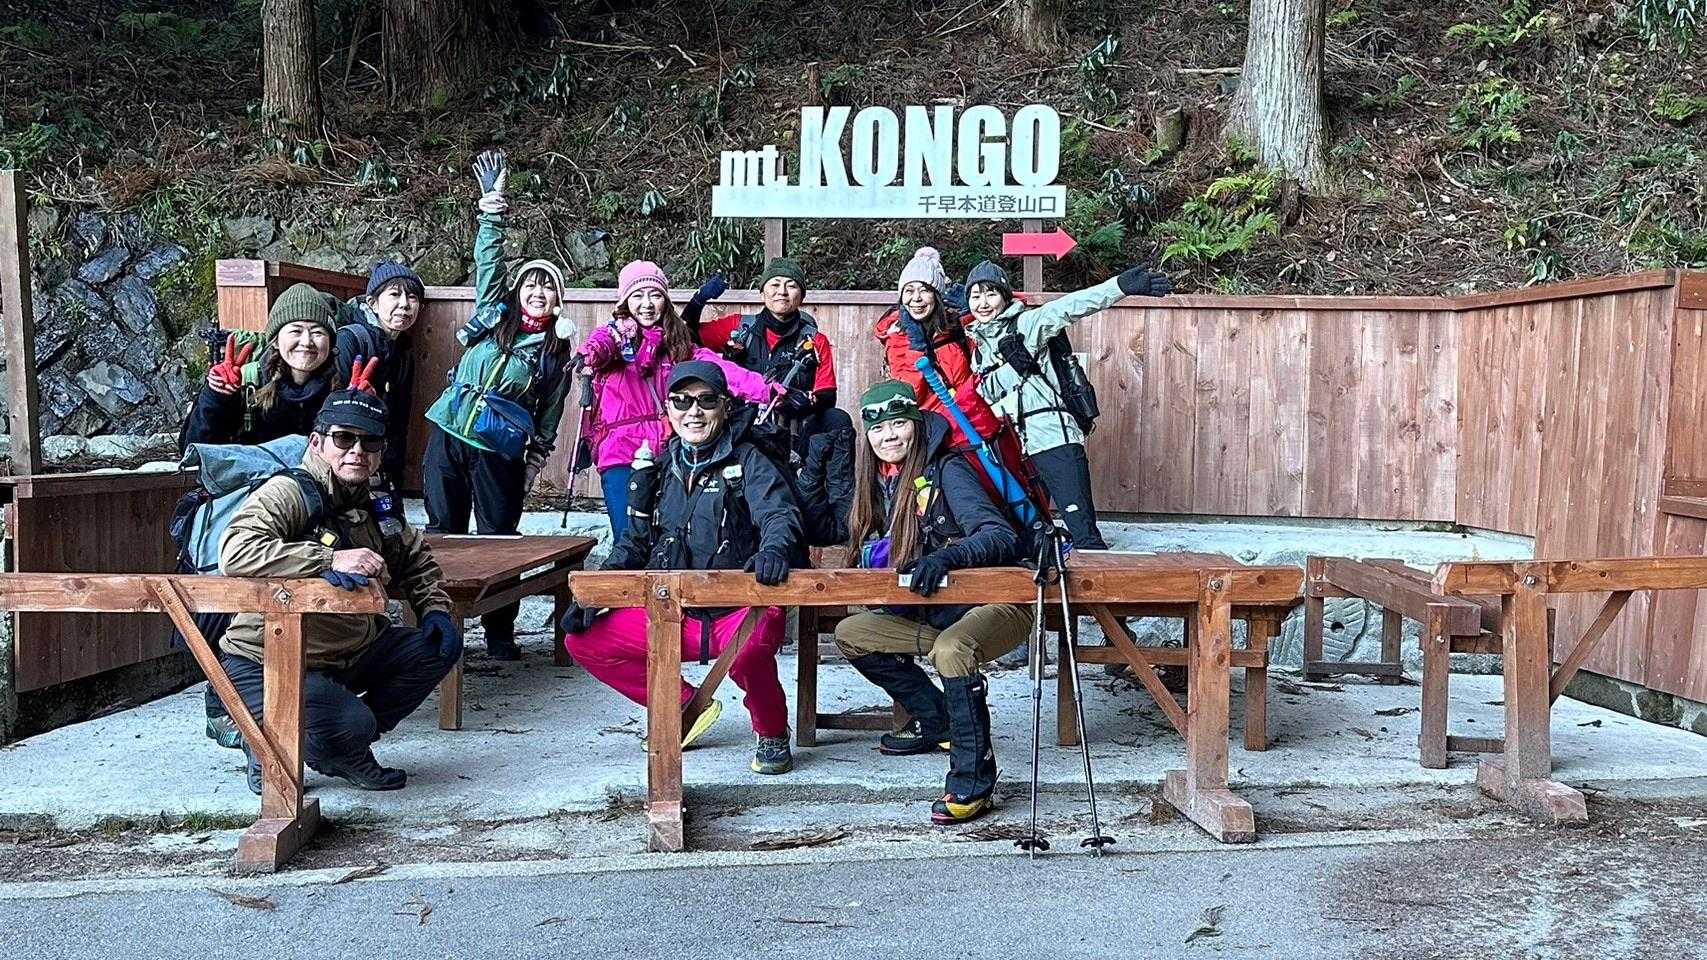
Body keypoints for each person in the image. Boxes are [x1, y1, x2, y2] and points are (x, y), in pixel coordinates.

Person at [803, 380, 1028, 824]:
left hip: (994, 605)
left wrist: (947, 557)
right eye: (877, 428)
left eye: (898, 424)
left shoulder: (948, 471)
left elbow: (999, 535)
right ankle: (938, 720)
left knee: (953, 650)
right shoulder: (878, 484)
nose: (888, 436)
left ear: (917, 425)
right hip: (934, 614)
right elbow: (826, 528)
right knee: (853, 634)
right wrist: (814, 469)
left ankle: (974, 779)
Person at [562, 361, 802, 775]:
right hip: (673, 612)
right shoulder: (658, 467)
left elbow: (778, 514)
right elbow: (634, 541)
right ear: (668, 409)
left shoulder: (750, 460)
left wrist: (774, 550)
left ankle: (772, 730)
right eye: (681, 401)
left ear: (725, 407)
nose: (694, 411)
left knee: (749, 651)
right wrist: (596, 592)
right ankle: (685, 704)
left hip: (739, 607)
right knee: (583, 642)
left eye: (706, 401)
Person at [217, 387, 461, 794]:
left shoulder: (375, 500)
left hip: (348, 652)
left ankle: (340, 746)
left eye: (370, 442)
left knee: (437, 647)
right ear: (317, 442)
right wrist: (329, 559)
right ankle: (266, 741)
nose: (357, 451)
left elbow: (415, 559)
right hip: (268, 659)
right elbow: (236, 551)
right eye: (344, 438)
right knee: (351, 722)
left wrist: (435, 609)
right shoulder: (290, 492)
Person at [422, 149, 574, 660]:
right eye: (532, 282)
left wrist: (534, 463)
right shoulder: (493, 315)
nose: (538, 291)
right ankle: (438, 629)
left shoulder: (554, 353)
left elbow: (550, 414)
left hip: (499, 451)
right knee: (441, 534)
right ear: (518, 289)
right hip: (448, 432)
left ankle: (499, 633)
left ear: (558, 301)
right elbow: (489, 261)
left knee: (499, 538)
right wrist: (492, 208)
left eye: (548, 286)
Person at [962, 259, 1172, 549]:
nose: (983, 303)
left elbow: (1070, 307)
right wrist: (1010, 372)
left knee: (1083, 533)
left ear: (1005, 296)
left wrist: (1119, 287)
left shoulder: (1027, 324)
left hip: (1052, 437)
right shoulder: (979, 345)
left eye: (991, 293)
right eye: (975, 296)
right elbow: (984, 394)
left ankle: (1098, 574)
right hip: (1015, 447)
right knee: (1032, 535)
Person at [577, 260, 783, 538]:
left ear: (665, 300)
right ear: (625, 301)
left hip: (669, 453)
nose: (647, 304)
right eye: (637, 296)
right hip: (620, 453)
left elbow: (720, 370)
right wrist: (587, 355)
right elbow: (601, 344)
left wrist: (768, 390)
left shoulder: (677, 343)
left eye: (655, 295)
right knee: (628, 537)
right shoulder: (615, 337)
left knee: (668, 538)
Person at [685, 258, 856, 467]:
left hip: (793, 433)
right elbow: (686, 337)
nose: (782, 292)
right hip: (740, 430)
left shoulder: (815, 340)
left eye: (791, 285)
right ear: (762, 293)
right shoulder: (739, 328)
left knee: (837, 419)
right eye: (774, 284)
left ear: (802, 296)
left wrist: (801, 403)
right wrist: (699, 300)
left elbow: (827, 396)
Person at [181, 282, 341, 450]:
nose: (307, 341)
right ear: (276, 341)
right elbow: (195, 450)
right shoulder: (247, 383)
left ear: (330, 343)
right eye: (296, 331)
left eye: (317, 332)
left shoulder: (341, 387)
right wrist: (216, 397)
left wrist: (355, 411)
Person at [333, 261, 424, 487]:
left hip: (379, 462)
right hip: (345, 459)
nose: (404, 304)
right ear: (372, 303)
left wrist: (393, 474)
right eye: (394, 294)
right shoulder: (350, 339)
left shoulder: (403, 349)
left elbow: (400, 418)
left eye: (412, 297)